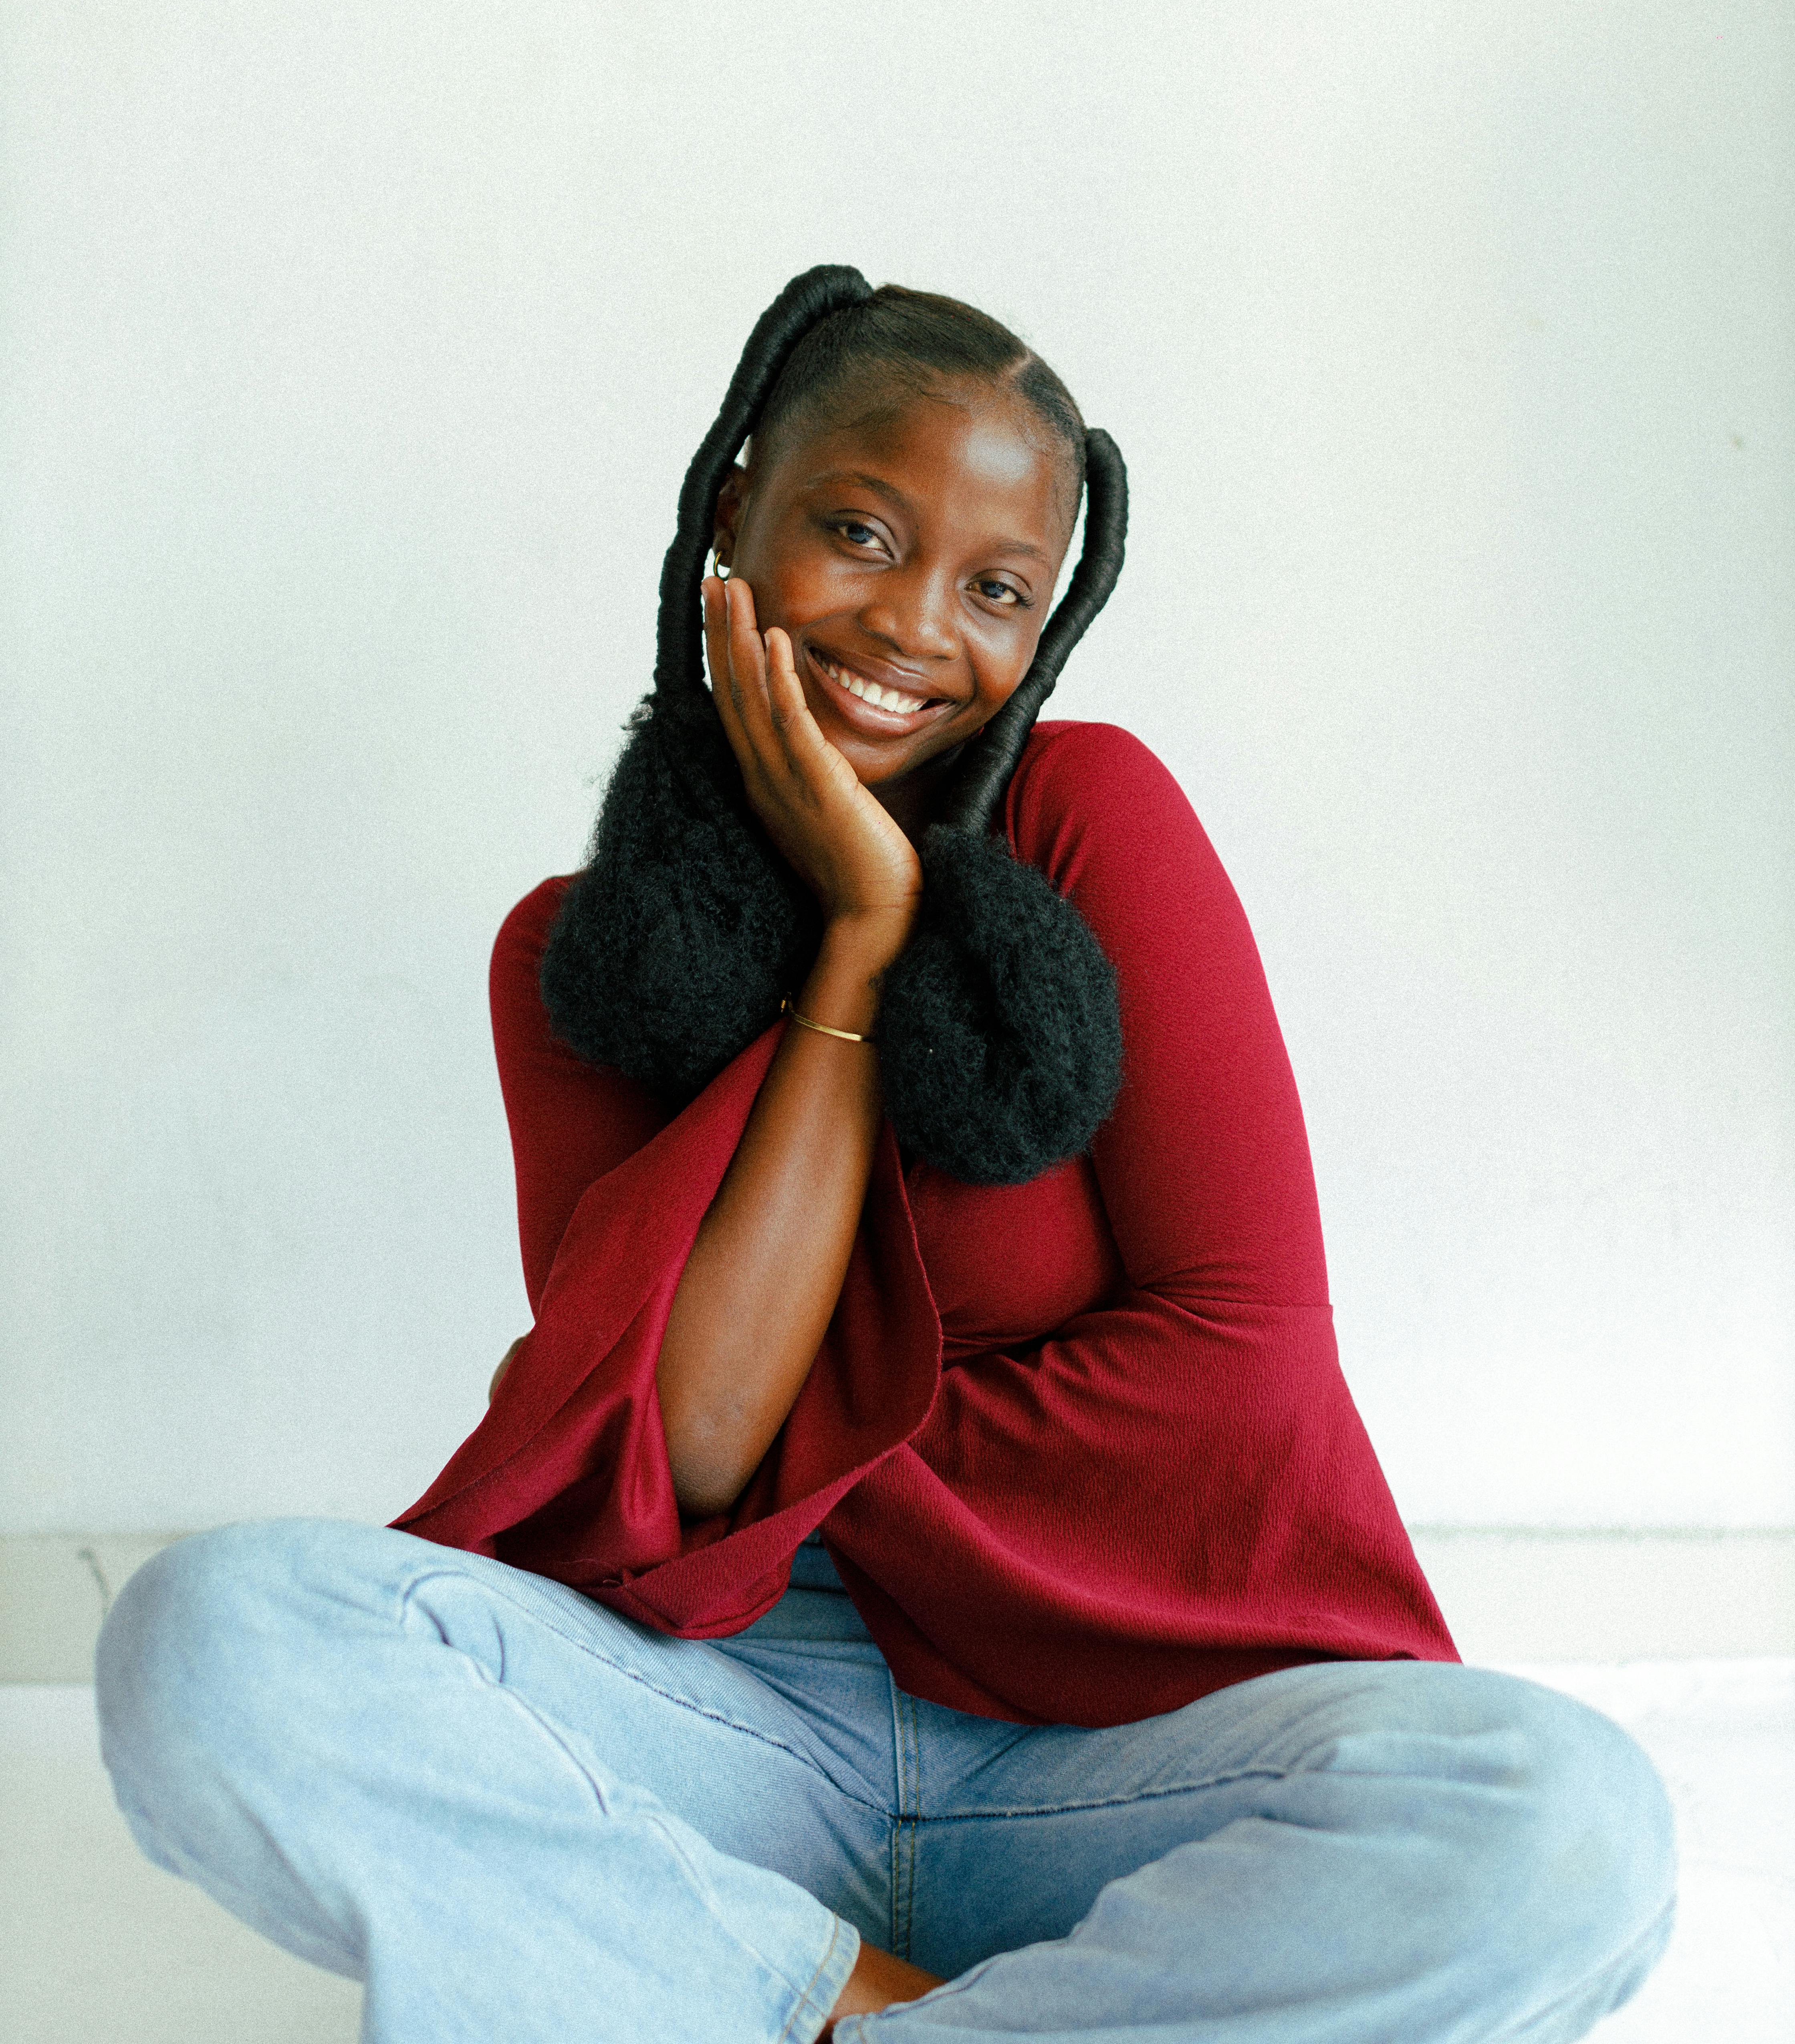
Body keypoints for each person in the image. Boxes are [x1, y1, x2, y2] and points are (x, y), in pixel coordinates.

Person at [95, 268, 1675, 2043]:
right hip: (727, 1730)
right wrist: (856, 937)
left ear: (1045, 625)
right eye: (857, 529)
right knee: (214, 1637)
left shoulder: (1093, 820)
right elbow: (693, 1456)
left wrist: (807, 1455)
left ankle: (771, 2005)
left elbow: (1236, 1370)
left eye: (995, 587)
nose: (915, 626)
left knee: (1566, 1822)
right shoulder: (578, 958)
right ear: (732, 512)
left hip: (1126, 1739)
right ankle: (821, 1982)